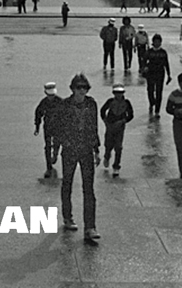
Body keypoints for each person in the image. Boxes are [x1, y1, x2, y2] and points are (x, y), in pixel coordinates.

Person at [56, 74, 101, 241]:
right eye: (79, 87)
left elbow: (94, 127)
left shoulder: (91, 104)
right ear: (73, 89)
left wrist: (96, 149)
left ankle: (90, 227)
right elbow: (58, 127)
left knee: (88, 188)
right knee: (67, 182)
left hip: (86, 149)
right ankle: (67, 217)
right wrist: (58, 147)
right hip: (69, 149)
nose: (82, 91)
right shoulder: (65, 105)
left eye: (85, 87)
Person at [100, 83, 134, 177]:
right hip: (110, 125)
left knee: (118, 147)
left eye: (120, 92)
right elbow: (103, 110)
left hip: (120, 127)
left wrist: (123, 121)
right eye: (116, 93)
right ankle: (107, 156)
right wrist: (105, 120)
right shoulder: (110, 101)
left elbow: (131, 115)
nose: (118, 95)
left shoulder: (127, 103)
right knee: (108, 144)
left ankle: (116, 166)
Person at [34, 82, 62, 178]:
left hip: (58, 127)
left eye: (52, 95)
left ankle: (55, 154)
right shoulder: (44, 102)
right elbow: (38, 114)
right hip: (48, 127)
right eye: (49, 95)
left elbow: (67, 115)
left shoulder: (61, 102)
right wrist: (37, 127)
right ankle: (49, 167)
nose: (51, 97)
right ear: (46, 93)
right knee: (47, 146)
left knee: (57, 143)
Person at [143, 33, 171, 117]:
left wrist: (169, 75)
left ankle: (157, 110)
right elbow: (144, 62)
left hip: (160, 73)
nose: (157, 43)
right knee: (150, 90)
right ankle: (152, 103)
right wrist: (144, 68)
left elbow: (166, 64)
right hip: (150, 73)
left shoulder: (163, 52)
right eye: (155, 41)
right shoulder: (149, 52)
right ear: (153, 42)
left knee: (159, 91)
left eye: (158, 42)